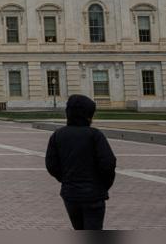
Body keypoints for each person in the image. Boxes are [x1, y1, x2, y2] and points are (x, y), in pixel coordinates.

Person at [45, 94, 117, 230]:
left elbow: (51, 165)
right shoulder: (95, 135)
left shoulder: (58, 135)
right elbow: (108, 164)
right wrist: (102, 186)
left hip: (70, 195)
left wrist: (66, 179)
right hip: (94, 196)